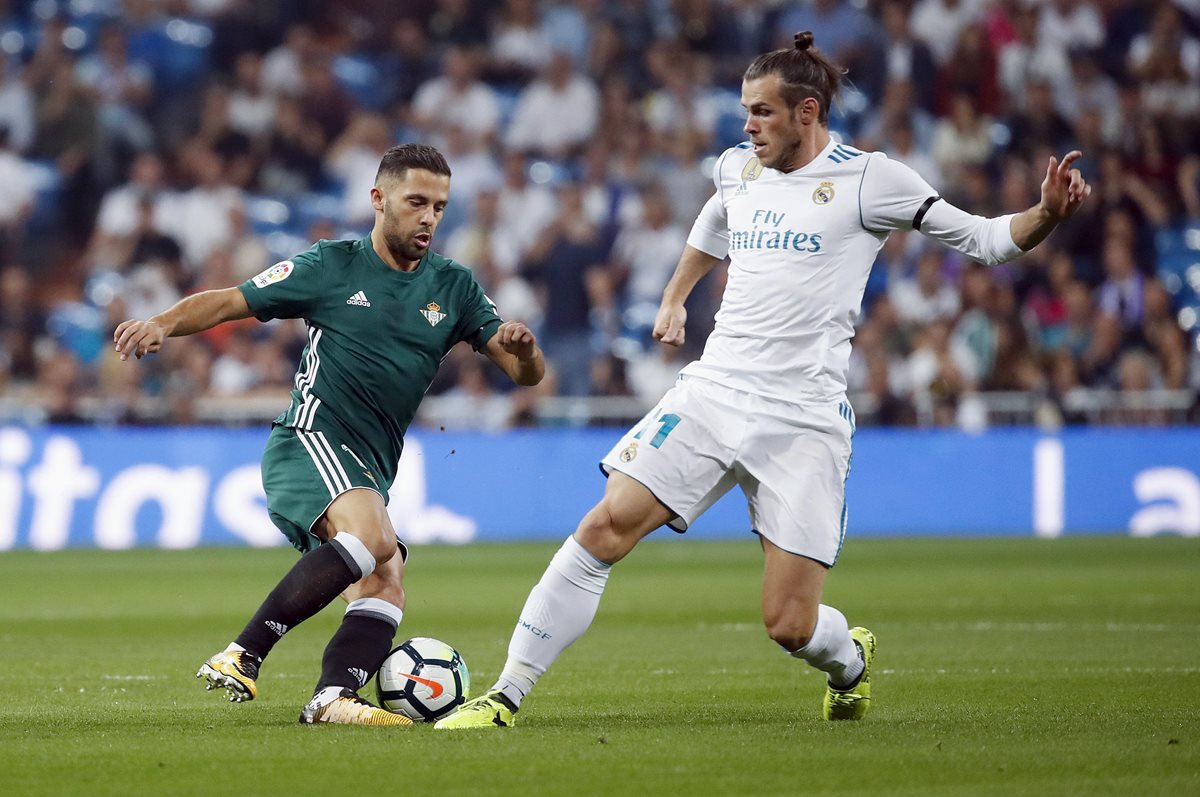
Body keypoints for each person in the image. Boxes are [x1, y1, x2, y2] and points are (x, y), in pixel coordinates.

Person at [435, 31, 1090, 730]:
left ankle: (850, 661)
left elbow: (985, 240)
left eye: (763, 113)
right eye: (746, 111)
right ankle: (503, 696)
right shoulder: (736, 169)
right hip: (714, 392)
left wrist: (1047, 212)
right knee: (604, 526)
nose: (747, 125)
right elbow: (716, 220)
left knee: (788, 622)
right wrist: (674, 295)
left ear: (808, 112)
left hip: (802, 418)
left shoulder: (874, 181)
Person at [113, 144, 545, 726]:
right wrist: (161, 323)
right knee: (375, 538)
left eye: (440, 207)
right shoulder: (330, 266)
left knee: (386, 581)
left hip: (370, 464)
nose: (429, 219)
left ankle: (331, 698)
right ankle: (243, 653)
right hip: (310, 440)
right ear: (378, 199)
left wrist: (526, 352)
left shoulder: (456, 287)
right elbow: (230, 300)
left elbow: (523, 374)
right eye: (416, 202)